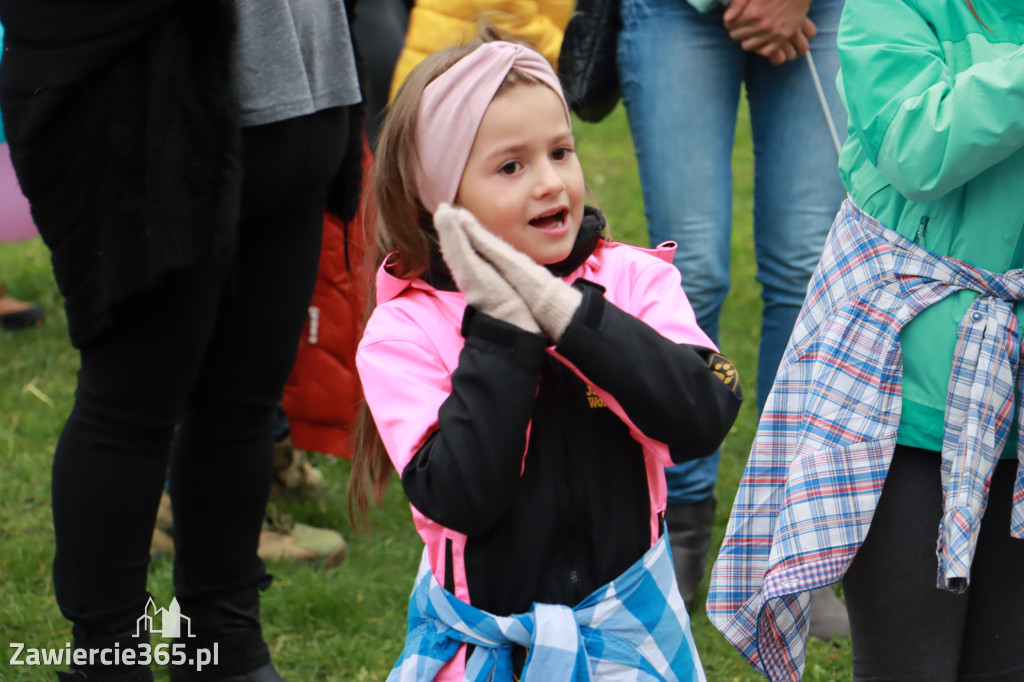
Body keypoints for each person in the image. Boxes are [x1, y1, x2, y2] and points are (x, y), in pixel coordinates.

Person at [348, 32, 743, 680]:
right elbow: (461, 497)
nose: (551, 181)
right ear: (440, 199)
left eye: (561, 151)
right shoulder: (404, 332)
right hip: (491, 650)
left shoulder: (633, 282)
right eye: (512, 166)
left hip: (628, 630)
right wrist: (504, 327)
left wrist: (571, 316)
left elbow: (703, 413)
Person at [0, 1, 364, 680]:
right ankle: (109, 661)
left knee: (245, 403)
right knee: (130, 406)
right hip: (148, 98)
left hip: (303, 92)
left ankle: (225, 650)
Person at [708, 1, 1024, 679]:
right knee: (910, 663)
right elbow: (920, 148)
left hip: (1015, 420)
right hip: (901, 416)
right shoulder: (894, 7)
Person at [615, 0, 850, 633]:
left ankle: (789, 545)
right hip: (676, 12)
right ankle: (679, 527)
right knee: (687, 272)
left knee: (806, 268)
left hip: (818, 11)